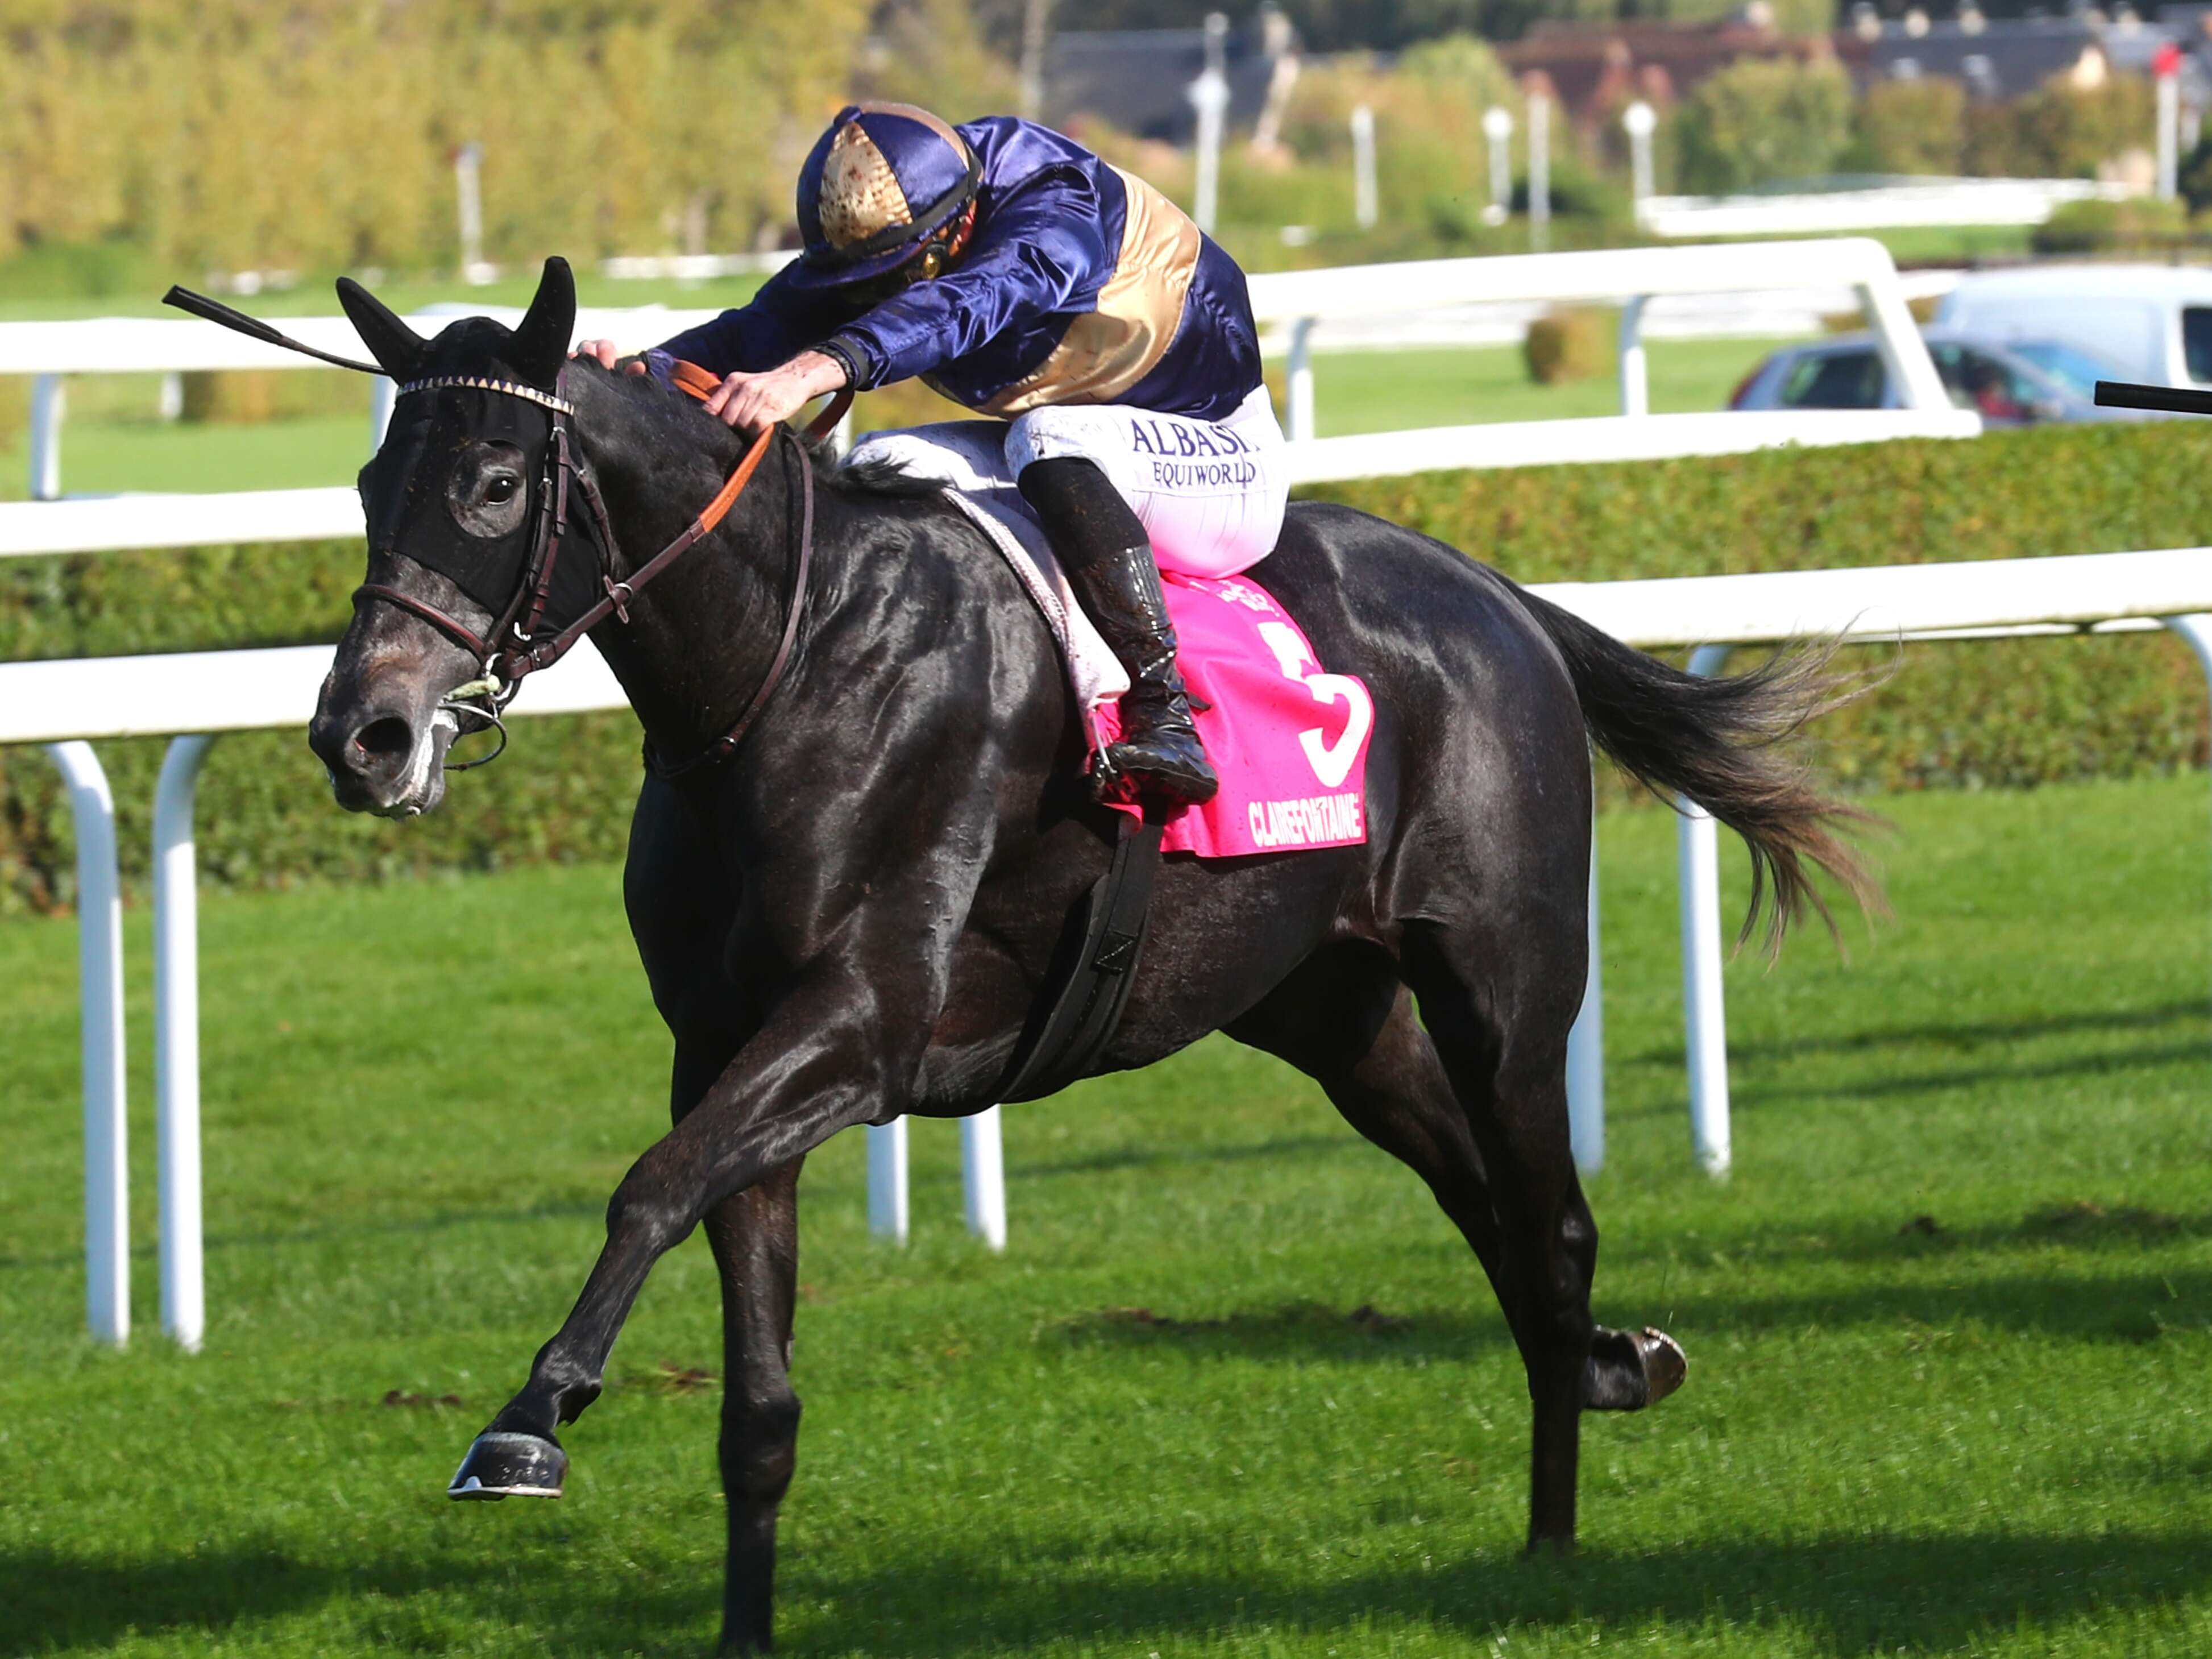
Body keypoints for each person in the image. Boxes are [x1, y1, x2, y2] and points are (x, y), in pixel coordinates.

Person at [575, 102, 1289, 806]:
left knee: (1047, 438)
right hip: (1088, 454)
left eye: (890, 276)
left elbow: (967, 303)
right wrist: (639, 374)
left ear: (957, 226)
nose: (867, 296)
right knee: (888, 463)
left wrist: (817, 368)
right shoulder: (917, 208)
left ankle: (1164, 707)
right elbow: (761, 328)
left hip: (1221, 458)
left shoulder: (1057, 205)